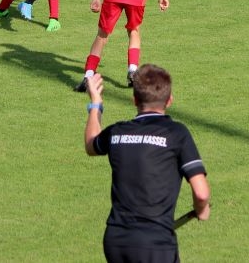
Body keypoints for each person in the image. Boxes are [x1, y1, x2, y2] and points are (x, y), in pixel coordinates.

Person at [84, 64, 210, 262]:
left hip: (116, 240)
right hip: (155, 243)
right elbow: (201, 193)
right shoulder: (177, 133)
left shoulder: (118, 132)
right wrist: (202, 210)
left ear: (134, 99)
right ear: (169, 101)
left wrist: (96, 104)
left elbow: (91, 144)